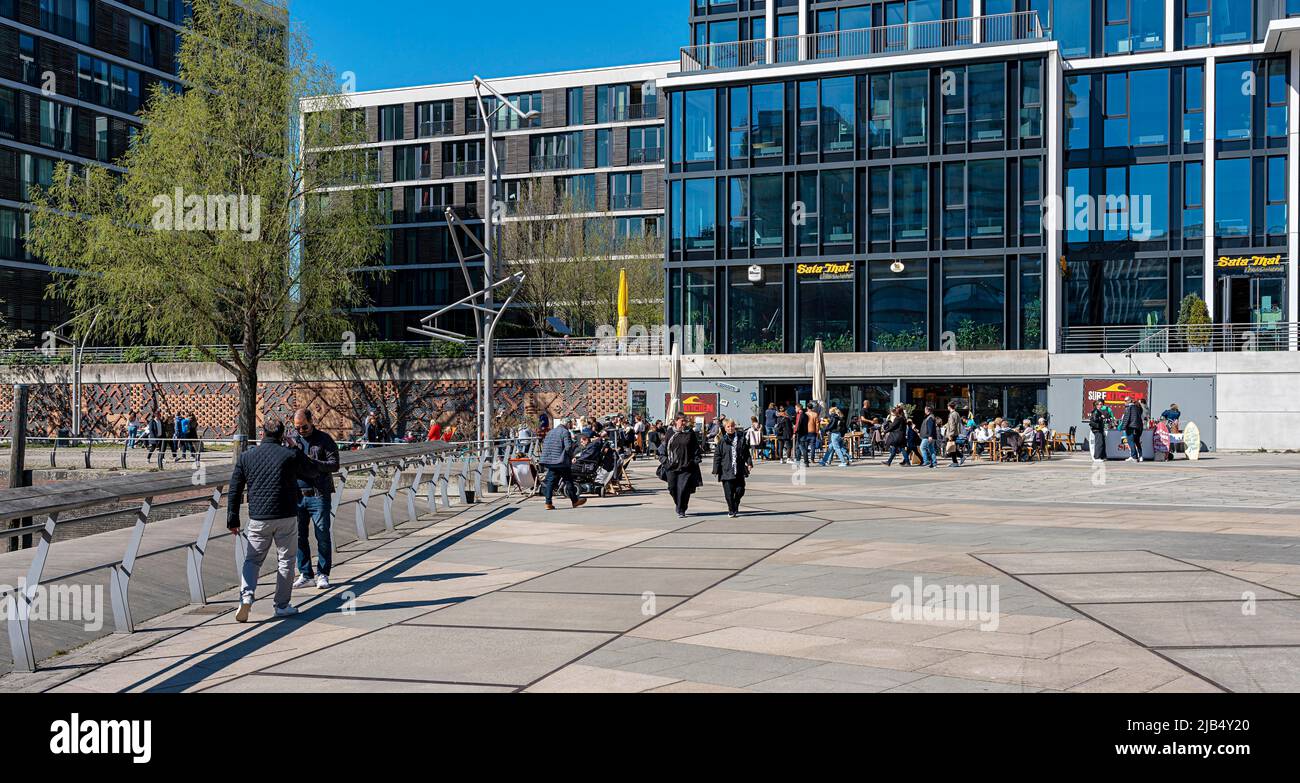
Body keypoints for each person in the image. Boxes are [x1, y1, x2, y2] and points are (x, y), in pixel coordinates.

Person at [227, 418, 312, 621]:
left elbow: (235, 488)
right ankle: (281, 606)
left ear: (262, 432)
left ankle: (246, 597)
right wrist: (295, 447)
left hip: (259, 517)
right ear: (283, 435)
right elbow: (310, 470)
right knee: (286, 561)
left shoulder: (247, 457)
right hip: (286, 516)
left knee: (253, 560)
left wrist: (233, 518)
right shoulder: (289, 455)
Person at [285, 409, 340, 590]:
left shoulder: (324, 439)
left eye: (304, 426)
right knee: (300, 536)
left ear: (311, 421)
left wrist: (313, 463)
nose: (301, 430)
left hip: (319, 493)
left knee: (322, 533)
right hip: (297, 495)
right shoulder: (292, 440)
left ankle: (323, 573)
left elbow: (334, 464)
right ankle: (306, 574)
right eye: (297, 427)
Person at [659, 413, 703, 518]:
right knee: (672, 488)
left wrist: (695, 460)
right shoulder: (670, 432)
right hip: (671, 466)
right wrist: (665, 461)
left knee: (683, 488)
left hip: (686, 466)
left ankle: (682, 508)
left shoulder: (690, 433)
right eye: (682, 421)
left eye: (685, 421)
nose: (684, 423)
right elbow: (662, 449)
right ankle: (679, 504)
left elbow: (696, 448)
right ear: (676, 421)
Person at [539, 418, 586, 510]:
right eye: (571, 424)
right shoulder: (565, 432)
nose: (572, 426)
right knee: (568, 480)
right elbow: (568, 447)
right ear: (567, 424)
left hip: (550, 461)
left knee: (550, 482)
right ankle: (575, 501)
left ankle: (548, 503)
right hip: (561, 461)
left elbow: (545, 445)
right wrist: (572, 456)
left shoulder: (550, 432)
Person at [713, 418, 752, 518]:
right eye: (728, 427)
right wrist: (715, 469)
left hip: (739, 469)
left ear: (735, 427)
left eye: (732, 426)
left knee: (740, 490)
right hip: (726, 470)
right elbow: (717, 455)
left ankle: (736, 502)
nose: (730, 428)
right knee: (728, 493)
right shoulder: (722, 441)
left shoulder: (741, 439)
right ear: (725, 428)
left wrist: (749, 463)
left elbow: (746, 453)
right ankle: (731, 510)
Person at [1121, 396, 1146, 463]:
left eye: (1126, 400)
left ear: (1129, 401)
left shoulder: (1129, 408)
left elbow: (1126, 418)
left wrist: (1123, 427)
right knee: (1137, 442)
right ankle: (1140, 456)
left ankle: (1134, 457)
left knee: (1130, 442)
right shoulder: (1138, 407)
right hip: (1139, 427)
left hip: (1131, 427)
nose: (1124, 402)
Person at [945, 402, 965, 467]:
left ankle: (956, 461)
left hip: (952, 433)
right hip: (956, 433)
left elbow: (952, 425)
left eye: (947, 406)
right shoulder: (956, 413)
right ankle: (958, 459)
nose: (947, 407)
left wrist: (950, 434)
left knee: (952, 448)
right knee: (953, 448)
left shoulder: (952, 414)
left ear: (949, 407)